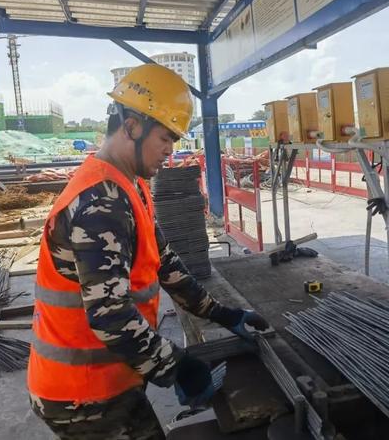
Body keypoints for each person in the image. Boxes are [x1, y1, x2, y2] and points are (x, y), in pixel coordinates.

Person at [27, 64, 268, 439]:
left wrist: (221, 313)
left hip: (112, 377)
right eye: (165, 138)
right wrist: (178, 366)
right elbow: (111, 318)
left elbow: (163, 261)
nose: (171, 151)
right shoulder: (99, 205)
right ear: (132, 126)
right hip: (83, 396)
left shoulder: (128, 184)